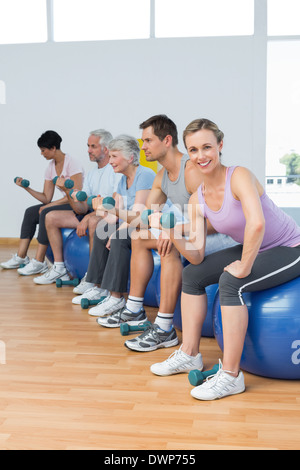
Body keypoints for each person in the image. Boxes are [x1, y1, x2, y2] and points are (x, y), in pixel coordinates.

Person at [150, 118, 300, 401]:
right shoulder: (198, 199)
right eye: (193, 150)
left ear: (220, 146)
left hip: (290, 247)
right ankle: (189, 354)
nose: (201, 156)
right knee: (193, 276)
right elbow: (194, 255)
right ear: (188, 155)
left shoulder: (239, 175)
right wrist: (170, 229)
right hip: (256, 246)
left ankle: (231, 376)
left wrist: (244, 266)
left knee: (231, 281)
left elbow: (256, 224)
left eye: (207, 147)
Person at [96, 114, 236, 351]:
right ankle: (134, 310)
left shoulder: (191, 171)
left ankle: (164, 328)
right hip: (194, 233)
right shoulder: (162, 178)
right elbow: (143, 218)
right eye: (143, 142)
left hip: (223, 237)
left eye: (148, 141)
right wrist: (114, 210)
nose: (143, 147)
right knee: (139, 237)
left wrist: (172, 232)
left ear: (167, 140)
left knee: (168, 243)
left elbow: (219, 221)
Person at [72, 134, 156, 316]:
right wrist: (101, 211)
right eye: (110, 156)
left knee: (117, 236)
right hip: (131, 222)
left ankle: (116, 298)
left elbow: (139, 214)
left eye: (114, 156)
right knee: (102, 229)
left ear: (130, 158)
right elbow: (113, 214)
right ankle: (99, 287)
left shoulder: (145, 175)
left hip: (147, 223)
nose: (110, 161)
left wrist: (117, 231)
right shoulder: (121, 180)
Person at [33, 129, 122, 285]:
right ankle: (59, 268)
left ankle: (93, 278)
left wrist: (88, 217)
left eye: (93, 146)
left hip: (110, 217)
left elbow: (113, 205)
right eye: (88, 146)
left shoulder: (116, 171)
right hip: (93, 214)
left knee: (94, 221)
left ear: (106, 149)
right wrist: (68, 191)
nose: (88, 150)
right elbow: (80, 209)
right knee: (50, 217)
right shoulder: (92, 174)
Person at [1, 130, 84, 275]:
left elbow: (75, 195)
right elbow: (46, 198)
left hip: (76, 205)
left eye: (43, 150)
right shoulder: (50, 167)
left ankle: (39, 262)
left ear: (53, 148)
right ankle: (21, 257)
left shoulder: (72, 163)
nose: (42, 153)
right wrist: (27, 188)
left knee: (46, 211)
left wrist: (49, 206)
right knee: (31, 212)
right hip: (63, 203)